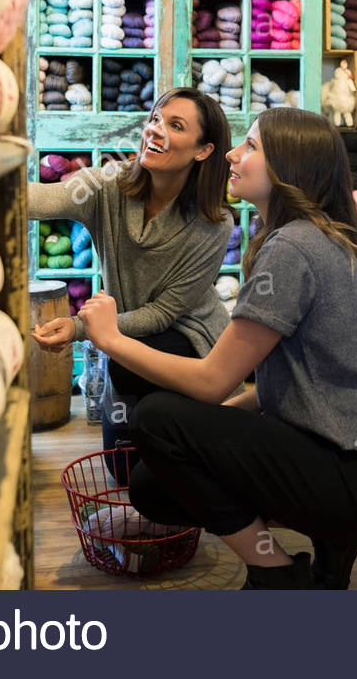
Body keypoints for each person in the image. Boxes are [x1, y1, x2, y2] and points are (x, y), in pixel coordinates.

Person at [77, 107, 357, 590]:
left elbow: (212, 383)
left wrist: (109, 337)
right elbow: (286, 380)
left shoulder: (293, 248)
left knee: (156, 418)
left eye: (253, 146)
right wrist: (210, 439)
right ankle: (330, 538)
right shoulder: (319, 236)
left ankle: (274, 571)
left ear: (290, 167)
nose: (234, 155)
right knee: (155, 481)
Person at [29, 88, 232, 481]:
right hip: (124, 338)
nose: (155, 130)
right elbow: (41, 199)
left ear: (203, 150)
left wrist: (79, 328)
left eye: (175, 125)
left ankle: (188, 435)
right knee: (123, 471)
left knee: (128, 377)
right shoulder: (108, 186)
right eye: (156, 119)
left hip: (188, 338)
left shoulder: (213, 222)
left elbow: (163, 314)